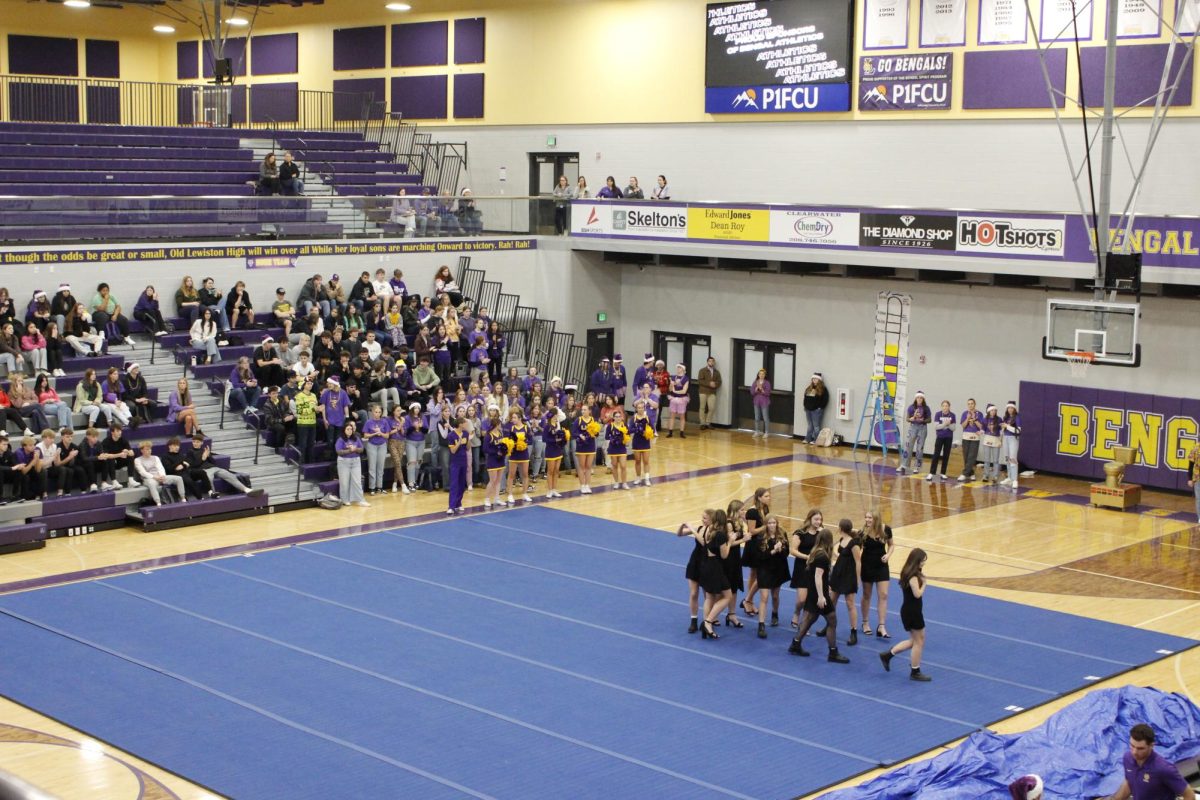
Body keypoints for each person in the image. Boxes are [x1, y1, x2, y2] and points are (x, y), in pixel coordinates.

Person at [788, 530, 850, 663]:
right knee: (832, 620)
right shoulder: (822, 556)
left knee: (810, 619)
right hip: (818, 595)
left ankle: (795, 644)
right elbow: (817, 576)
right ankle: (833, 652)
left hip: (813, 592)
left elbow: (816, 575)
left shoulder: (816, 552)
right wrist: (821, 596)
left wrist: (824, 586)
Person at [880, 548, 931, 681]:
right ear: (916, 561)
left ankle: (888, 655)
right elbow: (917, 594)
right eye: (922, 562)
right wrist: (925, 583)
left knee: (915, 641)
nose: (923, 564)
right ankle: (915, 671)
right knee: (919, 642)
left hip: (910, 610)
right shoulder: (913, 576)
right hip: (913, 612)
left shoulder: (907, 571)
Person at [1108, 723, 1195, 800]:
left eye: (1140, 748)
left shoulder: (1164, 769)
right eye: (1132, 745)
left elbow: (1189, 795)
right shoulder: (1127, 758)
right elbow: (1129, 781)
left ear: (1151, 746)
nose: (1134, 752)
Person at [186, 433, 262, 497]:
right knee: (209, 479)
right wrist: (202, 458)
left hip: (213, 468)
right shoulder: (190, 452)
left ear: (202, 442)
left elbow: (213, 463)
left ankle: (246, 490)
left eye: (197, 442)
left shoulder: (204, 450)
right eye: (194, 442)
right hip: (203, 471)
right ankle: (213, 494)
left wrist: (208, 455)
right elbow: (193, 465)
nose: (195, 443)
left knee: (230, 475)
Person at [859, 509, 894, 639]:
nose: (867, 520)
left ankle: (881, 626)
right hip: (867, 565)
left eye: (870, 518)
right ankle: (865, 622)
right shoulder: (863, 533)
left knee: (883, 595)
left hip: (881, 566)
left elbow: (891, 545)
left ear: (877, 519)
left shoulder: (886, 530)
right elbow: (857, 550)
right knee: (867, 594)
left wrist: (888, 555)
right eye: (866, 517)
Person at [754, 515, 791, 638]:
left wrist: (781, 550)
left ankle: (775, 614)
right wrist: (773, 551)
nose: (772, 525)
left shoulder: (782, 535)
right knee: (764, 597)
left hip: (778, 569)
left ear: (777, 523)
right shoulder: (760, 537)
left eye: (774, 523)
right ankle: (761, 625)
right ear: (766, 524)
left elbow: (787, 553)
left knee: (775, 596)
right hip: (764, 569)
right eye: (769, 523)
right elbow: (760, 557)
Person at [827, 518, 862, 646]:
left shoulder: (854, 544)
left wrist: (858, 580)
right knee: (832, 600)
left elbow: (858, 562)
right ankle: (829, 625)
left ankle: (854, 632)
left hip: (848, 576)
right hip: (838, 573)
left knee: (850, 603)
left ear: (840, 528)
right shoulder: (842, 540)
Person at [787, 507, 821, 628]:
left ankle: (804, 624)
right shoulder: (800, 533)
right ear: (810, 519)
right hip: (802, 568)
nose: (818, 522)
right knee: (802, 599)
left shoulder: (821, 534)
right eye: (816, 519)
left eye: (820, 520)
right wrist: (807, 557)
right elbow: (793, 551)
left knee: (810, 600)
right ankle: (796, 612)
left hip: (815, 569)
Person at [161, 436, 213, 500]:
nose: (177, 447)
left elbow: (187, 464)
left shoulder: (180, 454)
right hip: (178, 475)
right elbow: (169, 469)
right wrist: (180, 464)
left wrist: (182, 465)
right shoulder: (165, 456)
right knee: (189, 481)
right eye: (175, 446)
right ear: (169, 446)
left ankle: (210, 492)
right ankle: (200, 498)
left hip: (187, 471)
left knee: (202, 472)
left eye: (178, 446)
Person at [134, 441, 185, 506]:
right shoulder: (137, 460)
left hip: (160, 477)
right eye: (147, 449)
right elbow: (142, 472)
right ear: (142, 450)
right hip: (148, 479)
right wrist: (154, 477)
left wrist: (162, 476)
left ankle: (183, 498)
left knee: (179, 478)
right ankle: (158, 502)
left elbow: (160, 468)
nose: (149, 451)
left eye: (150, 449)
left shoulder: (156, 458)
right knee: (151, 484)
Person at [334, 420, 367, 507]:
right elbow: (339, 451)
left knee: (357, 481)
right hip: (344, 463)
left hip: (355, 461)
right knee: (344, 482)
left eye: (351, 429)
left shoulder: (356, 438)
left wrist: (355, 449)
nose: (349, 431)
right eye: (348, 429)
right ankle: (345, 499)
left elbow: (362, 449)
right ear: (344, 430)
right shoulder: (340, 440)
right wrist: (349, 450)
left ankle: (360, 499)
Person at [503, 407, 532, 504]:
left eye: (514, 418)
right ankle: (510, 494)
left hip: (524, 453)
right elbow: (508, 440)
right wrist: (513, 444)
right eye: (512, 418)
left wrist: (524, 443)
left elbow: (530, 439)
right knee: (511, 475)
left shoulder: (526, 427)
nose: (512, 420)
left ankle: (524, 493)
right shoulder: (511, 428)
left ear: (519, 418)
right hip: (514, 454)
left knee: (525, 474)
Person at [362, 404, 391, 496]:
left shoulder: (384, 422)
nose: (377, 414)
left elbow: (387, 435)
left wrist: (380, 433)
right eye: (376, 412)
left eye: (379, 412)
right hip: (372, 445)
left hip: (382, 445)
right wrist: (374, 434)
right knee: (372, 467)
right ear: (372, 412)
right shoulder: (369, 422)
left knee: (380, 467)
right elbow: (365, 435)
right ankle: (372, 487)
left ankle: (380, 487)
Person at [899, 390, 931, 474]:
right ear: (915, 398)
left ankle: (917, 466)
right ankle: (904, 465)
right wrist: (911, 419)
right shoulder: (911, 407)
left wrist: (923, 420)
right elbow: (907, 418)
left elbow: (930, 419)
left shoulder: (926, 408)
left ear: (923, 399)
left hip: (922, 428)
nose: (919, 399)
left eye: (921, 398)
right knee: (908, 445)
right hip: (913, 427)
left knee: (920, 448)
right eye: (918, 397)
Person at [100, 423, 139, 489]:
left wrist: (127, 451)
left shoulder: (123, 440)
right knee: (110, 459)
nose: (120, 432)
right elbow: (105, 455)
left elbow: (132, 453)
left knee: (131, 457)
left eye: (120, 431)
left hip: (120, 461)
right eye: (117, 431)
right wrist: (119, 454)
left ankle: (130, 480)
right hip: (111, 463)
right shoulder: (106, 441)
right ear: (112, 432)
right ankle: (114, 481)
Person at [572, 403, 599, 494]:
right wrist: (580, 435)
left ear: (589, 411)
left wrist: (594, 433)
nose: (583, 411)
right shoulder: (578, 420)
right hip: (581, 446)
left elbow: (597, 433)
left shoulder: (593, 420)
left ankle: (587, 485)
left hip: (591, 446)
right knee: (582, 466)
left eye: (585, 410)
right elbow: (573, 433)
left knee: (588, 466)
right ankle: (582, 485)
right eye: (582, 410)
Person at [928, 400, 956, 482]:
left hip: (948, 437)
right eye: (943, 406)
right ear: (941, 407)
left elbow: (953, 428)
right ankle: (931, 472)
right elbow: (936, 427)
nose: (945, 407)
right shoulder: (938, 414)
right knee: (936, 454)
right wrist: (944, 424)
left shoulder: (952, 415)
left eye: (946, 406)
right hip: (940, 437)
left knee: (946, 455)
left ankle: (943, 472)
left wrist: (949, 424)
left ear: (949, 407)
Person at [291, 378, 318, 463]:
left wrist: (318, 409)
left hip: (312, 422)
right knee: (303, 444)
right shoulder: (299, 396)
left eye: (311, 383)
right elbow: (300, 411)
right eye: (308, 383)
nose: (310, 385)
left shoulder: (313, 395)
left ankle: (310, 462)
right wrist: (313, 409)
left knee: (311, 444)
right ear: (303, 385)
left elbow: (315, 408)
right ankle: (301, 462)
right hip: (303, 423)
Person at [629, 399, 655, 486]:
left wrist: (647, 432)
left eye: (642, 408)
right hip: (636, 442)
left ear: (644, 408)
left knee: (646, 461)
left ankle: (647, 478)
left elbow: (653, 429)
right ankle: (638, 478)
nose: (640, 409)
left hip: (645, 442)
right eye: (639, 408)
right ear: (636, 409)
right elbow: (629, 430)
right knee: (637, 461)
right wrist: (637, 430)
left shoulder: (648, 418)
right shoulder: (633, 418)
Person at [446, 414, 468, 513]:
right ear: (460, 424)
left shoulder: (466, 433)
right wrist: (458, 443)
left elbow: (468, 448)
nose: (466, 424)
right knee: (454, 484)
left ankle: (458, 503)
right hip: (455, 462)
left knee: (462, 484)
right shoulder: (451, 435)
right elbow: (453, 451)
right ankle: (451, 506)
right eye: (464, 423)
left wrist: (469, 440)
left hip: (464, 461)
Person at [959, 398, 984, 482]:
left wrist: (975, 419)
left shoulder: (979, 414)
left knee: (972, 456)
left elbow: (981, 427)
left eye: (972, 403)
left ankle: (964, 474)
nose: (970, 405)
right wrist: (967, 418)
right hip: (966, 436)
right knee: (966, 457)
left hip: (975, 437)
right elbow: (963, 426)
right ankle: (971, 473)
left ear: (974, 404)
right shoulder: (964, 413)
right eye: (969, 404)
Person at [606, 408, 630, 490]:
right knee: (614, 465)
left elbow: (628, 434)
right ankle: (616, 482)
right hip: (613, 448)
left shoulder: (624, 425)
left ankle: (624, 483)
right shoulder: (610, 426)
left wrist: (624, 438)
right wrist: (613, 438)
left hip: (622, 448)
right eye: (616, 416)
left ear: (621, 417)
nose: (618, 418)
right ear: (613, 417)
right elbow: (606, 436)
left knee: (623, 466)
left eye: (619, 416)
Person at [1001, 400, 1023, 490]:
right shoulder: (1006, 417)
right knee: (1007, 458)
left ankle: (1015, 480)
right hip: (1005, 438)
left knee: (1013, 458)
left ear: (1014, 409)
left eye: (1011, 408)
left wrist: (1007, 426)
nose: (1010, 409)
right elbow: (1003, 430)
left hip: (1013, 439)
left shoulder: (1017, 417)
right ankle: (1009, 477)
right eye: (1008, 408)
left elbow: (1018, 431)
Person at [980, 403, 1004, 483]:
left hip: (996, 440)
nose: (993, 412)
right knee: (987, 460)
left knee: (996, 460)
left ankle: (995, 476)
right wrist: (980, 432)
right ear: (988, 411)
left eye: (994, 410)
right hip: (987, 440)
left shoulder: (999, 419)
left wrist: (1001, 441)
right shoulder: (984, 419)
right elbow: (983, 429)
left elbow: (1001, 431)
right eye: (991, 410)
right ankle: (986, 475)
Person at [695, 356, 721, 431]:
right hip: (703, 391)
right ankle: (702, 423)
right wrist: (709, 383)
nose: (711, 362)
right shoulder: (702, 370)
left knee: (711, 408)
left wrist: (715, 384)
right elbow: (700, 381)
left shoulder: (716, 372)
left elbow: (719, 381)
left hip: (712, 392)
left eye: (712, 361)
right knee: (702, 407)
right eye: (710, 361)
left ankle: (708, 422)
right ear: (707, 362)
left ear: (714, 362)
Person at [803, 373, 829, 443]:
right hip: (808, 409)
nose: (814, 380)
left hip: (816, 410)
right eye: (813, 379)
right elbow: (805, 397)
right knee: (809, 425)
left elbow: (825, 399)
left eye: (816, 379)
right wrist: (805, 406)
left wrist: (820, 407)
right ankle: (808, 438)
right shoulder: (809, 388)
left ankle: (816, 439)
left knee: (816, 426)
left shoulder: (823, 389)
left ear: (819, 380)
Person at [665, 362, 689, 438]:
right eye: (677, 367)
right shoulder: (673, 377)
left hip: (682, 398)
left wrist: (675, 391)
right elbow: (670, 389)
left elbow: (684, 391)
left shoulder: (685, 378)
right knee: (672, 415)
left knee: (682, 416)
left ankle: (682, 432)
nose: (678, 369)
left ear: (683, 369)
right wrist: (672, 385)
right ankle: (670, 432)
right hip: (673, 398)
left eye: (680, 367)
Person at [750, 368, 771, 438]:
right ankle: (757, 431)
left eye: (763, 374)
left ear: (765, 375)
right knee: (756, 418)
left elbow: (768, 393)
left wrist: (762, 390)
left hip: (764, 402)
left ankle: (767, 432)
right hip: (756, 402)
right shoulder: (755, 382)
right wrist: (756, 390)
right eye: (760, 374)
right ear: (758, 375)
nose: (761, 375)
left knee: (765, 418)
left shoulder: (767, 383)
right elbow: (752, 392)